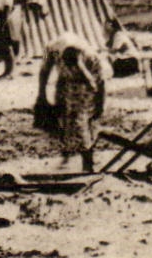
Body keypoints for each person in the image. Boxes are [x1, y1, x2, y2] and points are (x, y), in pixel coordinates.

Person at [37, 35, 107, 173]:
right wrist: (42, 95)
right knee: (64, 119)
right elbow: (44, 71)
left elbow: (100, 84)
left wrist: (100, 104)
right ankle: (67, 153)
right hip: (64, 82)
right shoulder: (51, 49)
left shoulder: (93, 59)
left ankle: (88, 162)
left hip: (85, 86)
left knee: (81, 121)